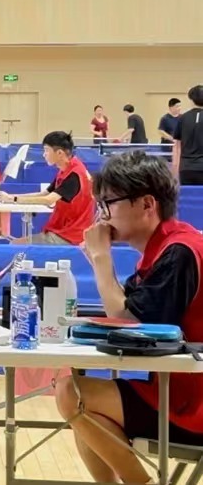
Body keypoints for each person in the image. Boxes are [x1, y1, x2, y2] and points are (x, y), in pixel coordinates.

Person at [54, 152, 203, 485]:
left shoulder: (180, 252)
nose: (102, 216)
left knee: (72, 394)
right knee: (79, 400)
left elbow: (130, 323)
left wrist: (101, 258)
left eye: (108, 204)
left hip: (192, 405)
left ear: (147, 204)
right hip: (174, 391)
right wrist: (97, 260)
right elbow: (126, 308)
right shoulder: (164, 249)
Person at [0, 131, 94, 245]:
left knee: (16, 245)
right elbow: (44, 194)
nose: (44, 154)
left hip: (71, 236)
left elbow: (48, 199)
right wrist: (10, 197)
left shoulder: (74, 175)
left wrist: (13, 199)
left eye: (46, 150)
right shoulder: (66, 170)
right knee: (19, 243)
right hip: (64, 231)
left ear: (59, 153)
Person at [174, 86, 203, 186]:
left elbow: (177, 146)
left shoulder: (183, 118)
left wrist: (175, 168)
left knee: (187, 195)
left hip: (186, 168)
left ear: (191, 99)